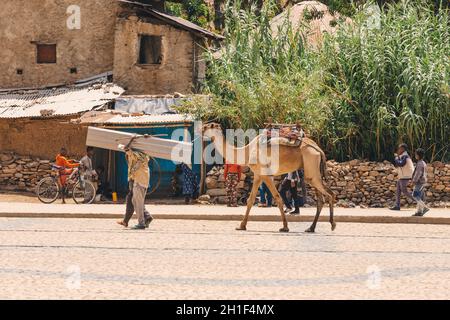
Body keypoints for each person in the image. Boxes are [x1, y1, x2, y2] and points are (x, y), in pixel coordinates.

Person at [117, 141, 153, 230]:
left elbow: (129, 151)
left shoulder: (137, 155)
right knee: (134, 201)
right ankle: (145, 219)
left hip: (139, 182)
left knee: (138, 203)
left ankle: (141, 223)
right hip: (141, 181)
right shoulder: (144, 156)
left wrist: (128, 143)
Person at [390, 143, 415, 211]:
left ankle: (418, 200)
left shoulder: (405, 156)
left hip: (405, 176)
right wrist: (397, 157)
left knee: (404, 190)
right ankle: (397, 205)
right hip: (402, 176)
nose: (398, 149)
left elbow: (401, 164)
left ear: (403, 149)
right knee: (398, 190)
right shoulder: (402, 156)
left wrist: (396, 158)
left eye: (399, 148)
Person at [411, 148, 430, 216]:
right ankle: (419, 212)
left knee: (415, 195)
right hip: (423, 182)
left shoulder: (419, 164)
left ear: (418, 155)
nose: (415, 155)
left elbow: (418, 173)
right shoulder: (423, 162)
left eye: (415, 154)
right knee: (419, 197)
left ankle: (424, 207)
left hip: (419, 182)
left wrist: (414, 181)